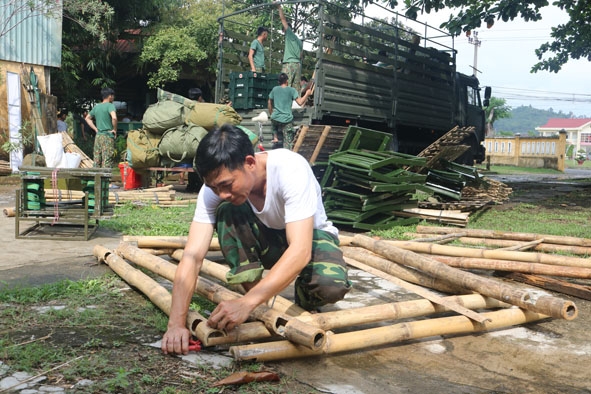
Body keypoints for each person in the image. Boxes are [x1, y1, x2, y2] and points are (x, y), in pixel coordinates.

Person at [161, 125, 351, 355]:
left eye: (227, 185)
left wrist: (245, 303)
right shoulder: (215, 188)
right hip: (270, 241)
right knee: (228, 211)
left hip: (311, 238)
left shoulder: (290, 169)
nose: (221, 194)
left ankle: (294, 298)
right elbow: (192, 257)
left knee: (330, 287)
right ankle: (257, 297)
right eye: (214, 187)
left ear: (250, 162)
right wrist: (176, 324)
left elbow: (300, 250)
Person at [268, 72, 312, 149]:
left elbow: (269, 101)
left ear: (278, 82)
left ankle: (275, 137)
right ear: (287, 81)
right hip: (286, 120)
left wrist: (271, 113)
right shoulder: (292, 90)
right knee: (288, 143)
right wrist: (307, 94)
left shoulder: (274, 89)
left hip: (276, 118)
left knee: (273, 123)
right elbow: (300, 102)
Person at [85, 88, 118, 171]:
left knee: (97, 160)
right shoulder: (110, 106)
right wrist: (114, 129)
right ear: (110, 96)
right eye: (113, 95)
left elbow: (87, 118)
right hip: (107, 136)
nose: (113, 97)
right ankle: (105, 183)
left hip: (98, 136)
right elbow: (114, 118)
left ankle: (95, 181)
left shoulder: (97, 107)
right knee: (107, 159)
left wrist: (96, 129)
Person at [277, 4, 303, 89]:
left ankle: (282, 102)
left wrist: (279, 6)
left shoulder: (289, 34)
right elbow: (301, 56)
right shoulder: (299, 41)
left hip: (289, 64)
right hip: (298, 65)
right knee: (295, 90)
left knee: (284, 86)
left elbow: (283, 19)